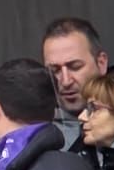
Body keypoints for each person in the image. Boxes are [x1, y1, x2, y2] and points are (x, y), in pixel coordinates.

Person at [42, 17, 109, 147]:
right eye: (54, 70)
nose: (66, 81)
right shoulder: (39, 137)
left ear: (101, 63)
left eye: (75, 67)